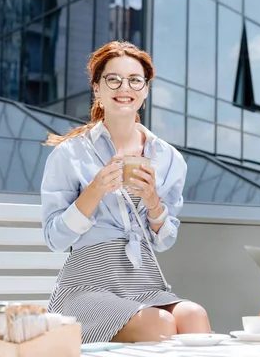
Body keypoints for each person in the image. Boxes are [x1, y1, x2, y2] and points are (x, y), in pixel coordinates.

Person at [40, 40, 210, 344]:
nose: (125, 87)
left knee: (193, 314)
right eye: (113, 79)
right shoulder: (70, 154)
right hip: (86, 286)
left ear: (145, 89)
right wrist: (94, 190)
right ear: (97, 88)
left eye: (135, 80)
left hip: (143, 282)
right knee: (159, 324)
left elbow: (165, 241)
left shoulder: (169, 158)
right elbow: (55, 238)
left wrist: (152, 201)